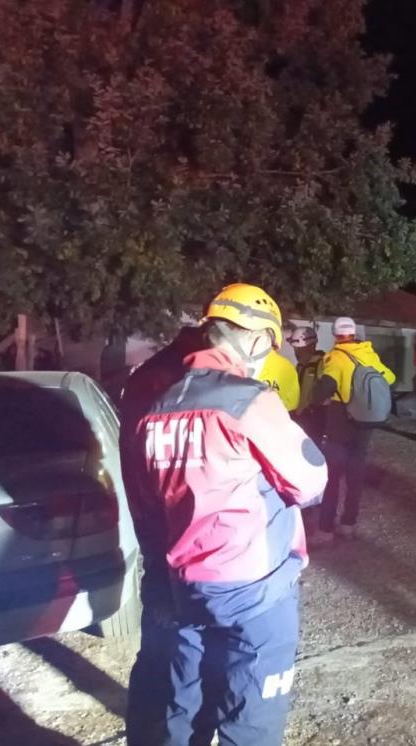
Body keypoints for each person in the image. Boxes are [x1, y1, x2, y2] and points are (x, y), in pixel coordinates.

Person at [123, 283, 328, 746]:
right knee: (251, 711)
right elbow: (310, 482)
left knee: (182, 698)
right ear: (257, 341)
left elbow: (150, 496)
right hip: (257, 589)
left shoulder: (155, 406)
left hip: (184, 584)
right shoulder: (249, 399)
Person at [118, 325, 205, 745]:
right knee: (172, 658)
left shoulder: (154, 374)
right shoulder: (178, 382)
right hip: (174, 541)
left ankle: (147, 732)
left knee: (158, 654)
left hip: (160, 537)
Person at [309, 316, 395, 543]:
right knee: (355, 474)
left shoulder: (335, 358)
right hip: (365, 421)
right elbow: (390, 377)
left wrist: (321, 399)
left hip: (341, 420)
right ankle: (348, 524)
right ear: (354, 333)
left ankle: (325, 529)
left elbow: (320, 393)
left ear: (336, 335)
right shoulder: (368, 353)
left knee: (333, 475)